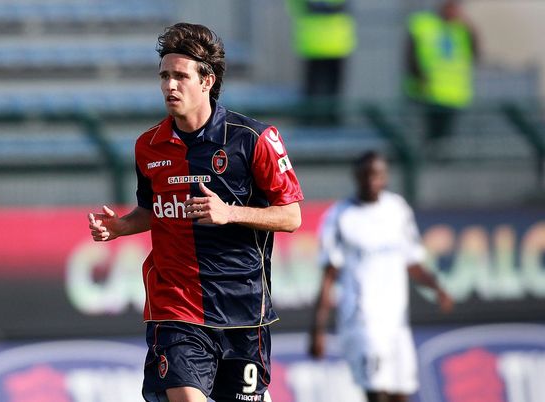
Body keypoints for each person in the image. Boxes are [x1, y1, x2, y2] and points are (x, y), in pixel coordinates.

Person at [87, 23, 304, 402]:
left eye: (180, 76)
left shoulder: (253, 139)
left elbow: (291, 216)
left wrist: (231, 213)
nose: (170, 86)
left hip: (243, 310)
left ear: (207, 80)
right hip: (177, 306)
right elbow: (153, 210)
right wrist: (121, 226)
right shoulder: (148, 147)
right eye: (164, 76)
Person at [308, 151, 453, 402]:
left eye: (378, 175)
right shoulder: (340, 216)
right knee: (376, 392)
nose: (372, 180)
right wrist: (317, 329)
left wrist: (437, 288)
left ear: (385, 177)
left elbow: (412, 261)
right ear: (357, 177)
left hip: (396, 321)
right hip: (362, 320)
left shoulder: (397, 209)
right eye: (367, 175)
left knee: (401, 394)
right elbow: (329, 276)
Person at [404, 0, 479, 142]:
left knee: (445, 139)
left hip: (454, 94)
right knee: (426, 136)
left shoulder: (462, 29)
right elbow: (410, 56)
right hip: (425, 92)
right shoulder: (423, 24)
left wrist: (470, 28)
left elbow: (475, 54)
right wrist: (419, 77)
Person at [285, 0, 356, 125]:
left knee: (314, 91)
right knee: (330, 92)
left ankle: (312, 123)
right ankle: (330, 124)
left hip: (315, 40)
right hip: (335, 41)